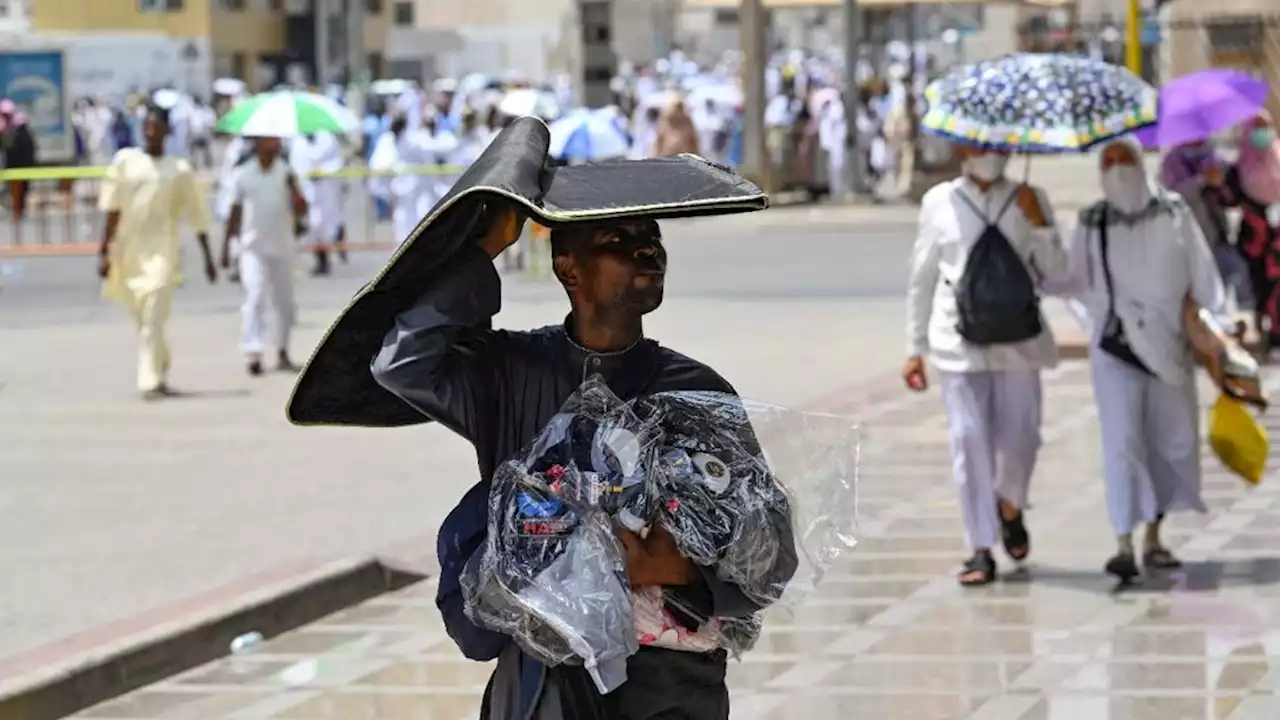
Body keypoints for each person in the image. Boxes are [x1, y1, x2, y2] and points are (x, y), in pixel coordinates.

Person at [371, 209, 793, 718]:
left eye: (652, 237)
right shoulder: (509, 372)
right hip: (538, 687)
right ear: (568, 269)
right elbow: (402, 363)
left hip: (668, 691)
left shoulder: (696, 390)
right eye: (619, 239)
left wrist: (673, 565)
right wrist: (484, 249)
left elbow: (770, 552)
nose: (647, 250)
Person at [1049, 136, 1223, 581]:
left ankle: (1154, 537)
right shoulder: (1093, 220)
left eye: (1125, 158)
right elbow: (1071, 280)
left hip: (1169, 347)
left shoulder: (1174, 212)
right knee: (1122, 442)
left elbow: (1202, 276)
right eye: (1109, 161)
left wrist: (1211, 328)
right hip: (1116, 348)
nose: (1119, 168)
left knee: (1169, 442)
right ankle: (1123, 541)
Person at [903, 143, 1068, 586]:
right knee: (968, 441)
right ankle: (980, 546)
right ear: (960, 149)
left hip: (1020, 341)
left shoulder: (1031, 198)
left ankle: (1010, 506)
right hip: (958, 342)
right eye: (979, 145)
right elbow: (922, 276)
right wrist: (915, 346)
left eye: (997, 146)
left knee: (1023, 438)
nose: (988, 154)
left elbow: (1057, 274)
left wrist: (1042, 224)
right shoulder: (940, 201)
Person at [97, 105, 216, 400]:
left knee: (154, 313)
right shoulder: (125, 162)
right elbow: (112, 208)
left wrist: (209, 257)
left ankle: (148, 381)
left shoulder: (179, 170)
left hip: (163, 253)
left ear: (167, 131)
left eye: (157, 127)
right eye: (147, 127)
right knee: (145, 319)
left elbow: (196, 214)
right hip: (131, 252)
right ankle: (160, 364)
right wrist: (103, 250)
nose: (151, 132)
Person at [220, 135, 308, 376]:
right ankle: (253, 351)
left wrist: (294, 190)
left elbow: (302, 209)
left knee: (285, 303)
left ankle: (282, 349)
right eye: (270, 139)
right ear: (258, 143)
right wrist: (225, 248)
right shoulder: (243, 174)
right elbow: (234, 213)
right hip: (253, 248)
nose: (276, 144)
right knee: (255, 296)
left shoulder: (285, 172)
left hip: (283, 247)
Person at [1209, 111, 1280, 355]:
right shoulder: (1239, 168)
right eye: (1257, 127)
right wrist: (1218, 186)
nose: (1263, 133)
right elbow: (1228, 200)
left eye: (1266, 126)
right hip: (1254, 241)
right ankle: (1262, 327)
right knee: (1259, 289)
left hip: (1279, 241)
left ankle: (1276, 338)